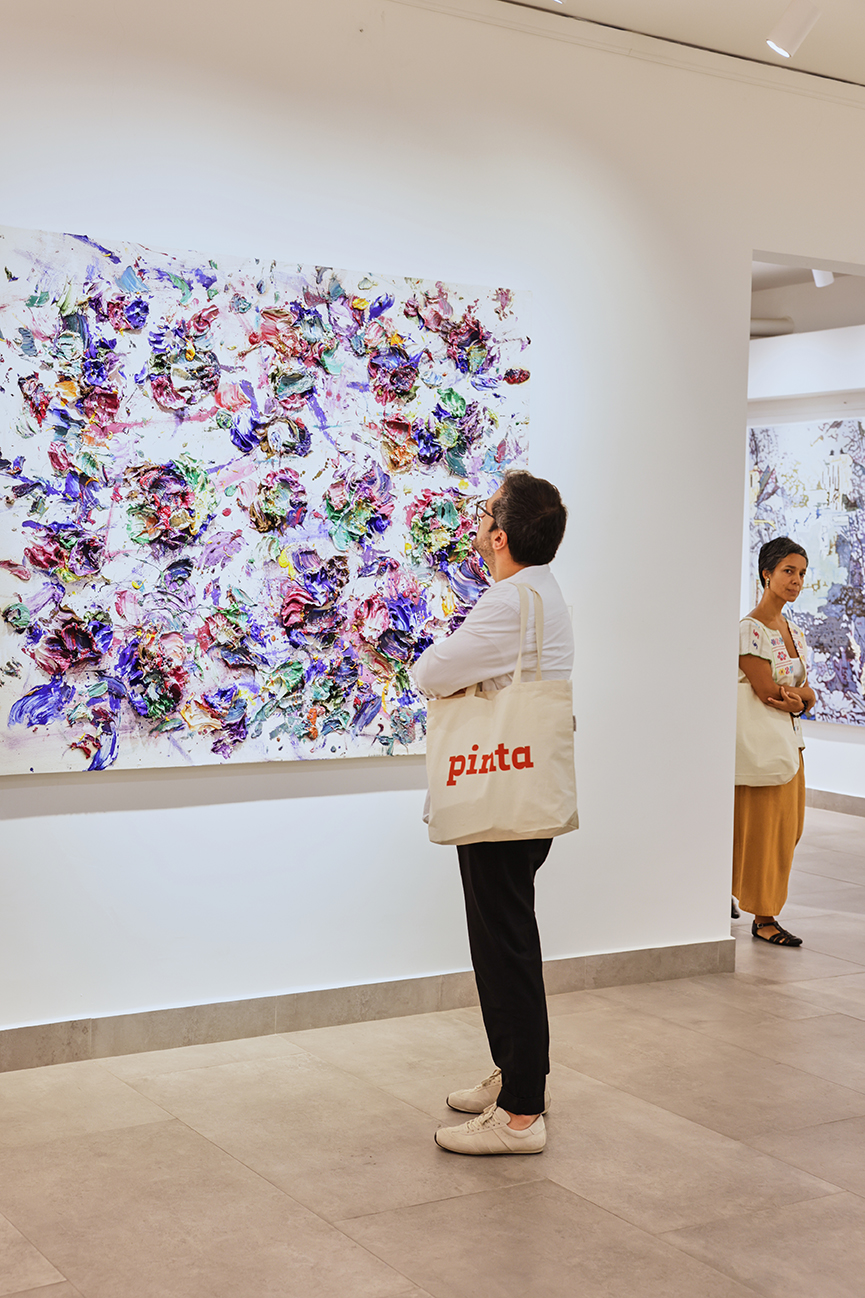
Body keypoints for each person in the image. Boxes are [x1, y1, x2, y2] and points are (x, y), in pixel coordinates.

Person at [411, 469, 573, 1155]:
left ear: (500, 536)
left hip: (499, 795)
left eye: (484, 516)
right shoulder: (540, 593)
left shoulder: (508, 601)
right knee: (508, 937)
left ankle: (520, 1115)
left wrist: (444, 668)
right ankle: (518, 1074)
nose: (476, 526)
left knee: (503, 945)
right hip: (521, 788)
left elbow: (430, 673)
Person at [733, 537, 815, 947]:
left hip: (790, 745)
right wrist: (800, 698)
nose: (796, 580)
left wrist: (799, 699)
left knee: (789, 830)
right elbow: (767, 691)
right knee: (763, 834)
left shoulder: (793, 631)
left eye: (801, 573)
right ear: (766, 573)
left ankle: (746, 902)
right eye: (788, 571)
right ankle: (764, 917)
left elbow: (807, 693)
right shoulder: (749, 630)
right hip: (762, 748)